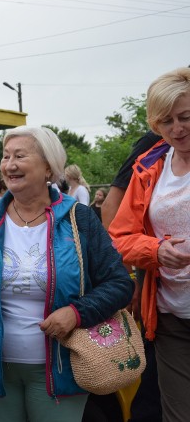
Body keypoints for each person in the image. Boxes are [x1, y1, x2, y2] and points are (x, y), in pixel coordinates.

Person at [0, 126, 133, 422]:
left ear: (47, 167)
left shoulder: (79, 219)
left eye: (20, 155)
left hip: (61, 367)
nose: (9, 164)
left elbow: (119, 283)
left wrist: (76, 313)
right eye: (5, 156)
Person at [108, 67, 190, 422]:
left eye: (185, 117)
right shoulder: (149, 166)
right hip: (171, 317)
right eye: (166, 121)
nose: (177, 129)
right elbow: (121, 236)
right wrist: (155, 251)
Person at [102, 130, 163, 422]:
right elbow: (111, 209)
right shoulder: (158, 140)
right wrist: (126, 281)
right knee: (155, 396)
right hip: (163, 303)